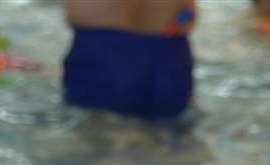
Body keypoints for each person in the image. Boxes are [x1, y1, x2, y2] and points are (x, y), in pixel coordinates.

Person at [63, 0, 197, 120]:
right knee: (172, 133)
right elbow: (188, 12)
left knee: (96, 134)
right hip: (169, 52)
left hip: (99, 50)